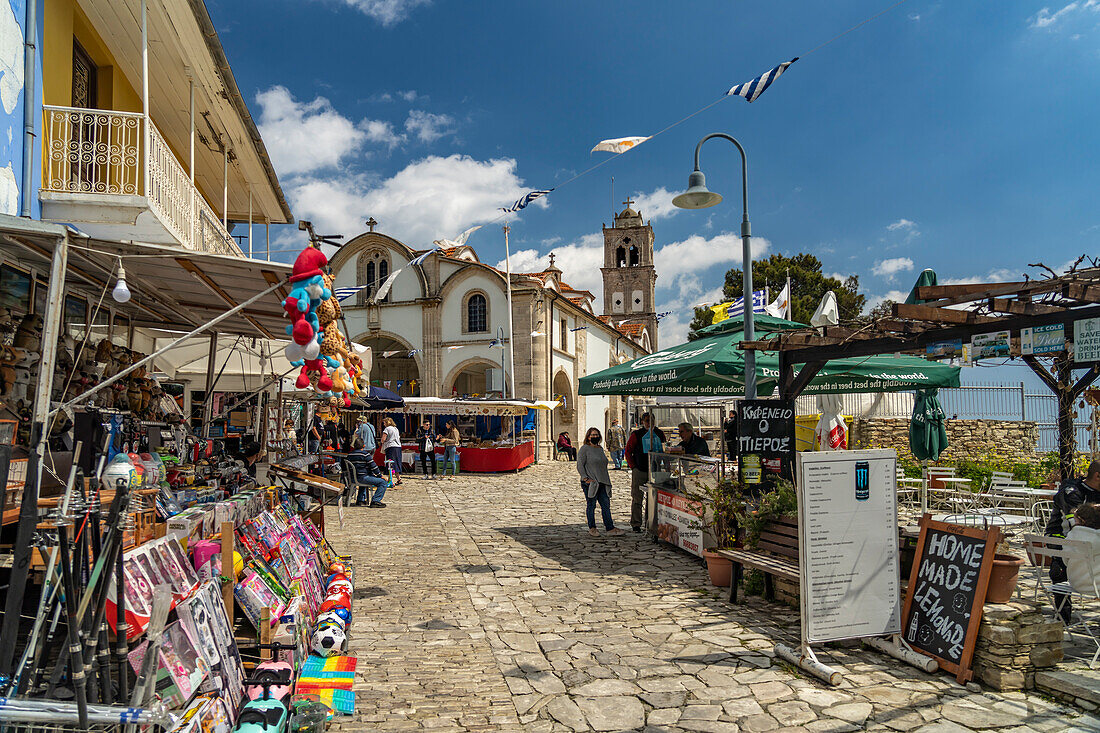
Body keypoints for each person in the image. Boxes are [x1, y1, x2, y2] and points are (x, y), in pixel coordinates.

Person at [1045, 460, 1100, 623]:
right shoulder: (1071, 492)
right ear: (1097, 476)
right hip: (1062, 536)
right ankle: (1063, 616)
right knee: (1062, 564)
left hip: (1086, 540)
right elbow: (1076, 523)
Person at [577, 427, 624, 537]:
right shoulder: (584, 449)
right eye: (592, 435)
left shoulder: (599, 449)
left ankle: (609, 527)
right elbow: (580, 465)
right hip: (591, 482)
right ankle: (592, 528)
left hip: (602, 481)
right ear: (588, 437)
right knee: (591, 505)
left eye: (596, 434)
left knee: (605, 505)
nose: (595, 437)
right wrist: (585, 478)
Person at [624, 412, 666, 533]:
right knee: (637, 497)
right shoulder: (636, 434)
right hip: (640, 469)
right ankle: (636, 523)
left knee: (652, 498)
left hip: (655, 469)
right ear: (643, 422)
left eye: (651, 420)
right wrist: (633, 467)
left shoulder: (659, 433)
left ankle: (650, 521)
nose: (649, 423)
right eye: (647, 421)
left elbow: (664, 449)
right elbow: (628, 451)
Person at [1064, 502, 1100, 597]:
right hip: (1097, 586)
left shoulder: (1072, 536)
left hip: (1077, 583)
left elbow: (1065, 561)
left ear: (1082, 521)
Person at [345, 437, 389, 507]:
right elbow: (374, 467)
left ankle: (360, 499)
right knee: (383, 482)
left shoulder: (349, 455)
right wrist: (380, 476)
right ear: (364, 446)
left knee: (365, 478)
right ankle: (376, 500)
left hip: (353, 478)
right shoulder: (365, 455)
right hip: (363, 477)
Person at [381, 417, 403, 485]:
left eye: (384, 422)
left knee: (390, 463)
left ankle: (390, 480)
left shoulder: (387, 429)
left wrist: (382, 442)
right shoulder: (396, 429)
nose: (384, 424)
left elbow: (383, 439)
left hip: (391, 447)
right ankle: (398, 479)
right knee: (396, 463)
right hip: (398, 447)